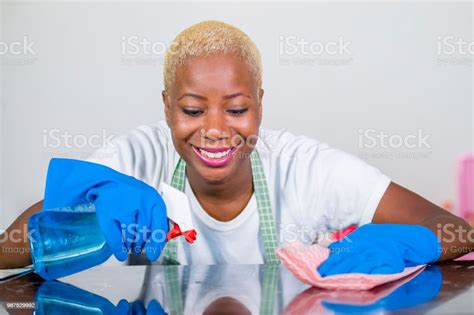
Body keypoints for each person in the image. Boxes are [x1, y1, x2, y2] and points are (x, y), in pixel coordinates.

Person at [1, 21, 472, 274]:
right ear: (167, 108)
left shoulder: (303, 168)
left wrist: (419, 242)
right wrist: (91, 202)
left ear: (261, 106)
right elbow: (6, 251)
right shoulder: (137, 156)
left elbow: (458, 231)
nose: (215, 130)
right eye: (191, 110)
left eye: (236, 108)